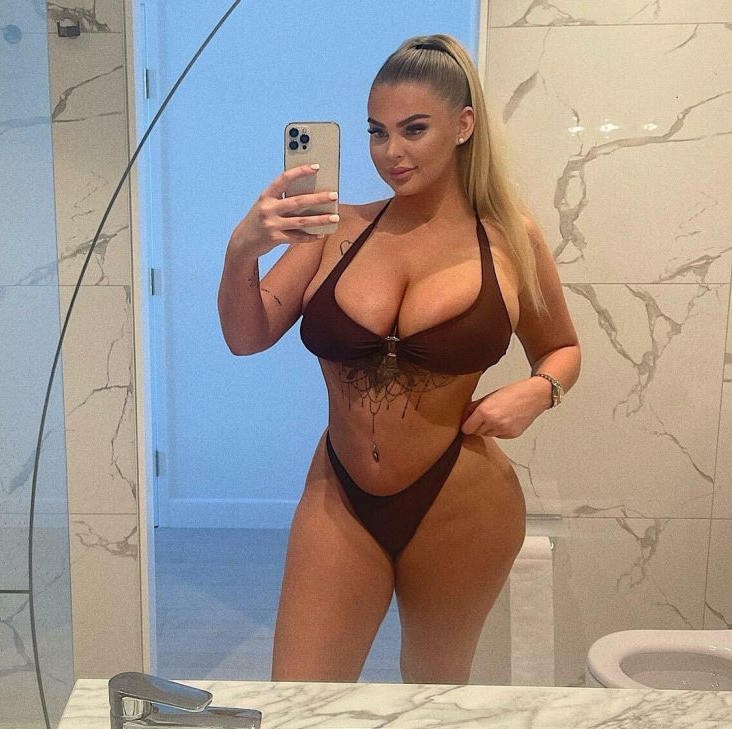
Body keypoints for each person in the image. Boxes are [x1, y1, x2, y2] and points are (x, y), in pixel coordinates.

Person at [217, 33, 581, 684]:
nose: (392, 151)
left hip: (461, 499)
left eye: (414, 129)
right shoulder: (334, 227)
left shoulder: (509, 236)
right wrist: (242, 249)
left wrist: (538, 390)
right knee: (300, 700)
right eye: (377, 132)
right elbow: (247, 336)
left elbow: (561, 347)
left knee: (433, 700)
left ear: (463, 125)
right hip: (338, 495)